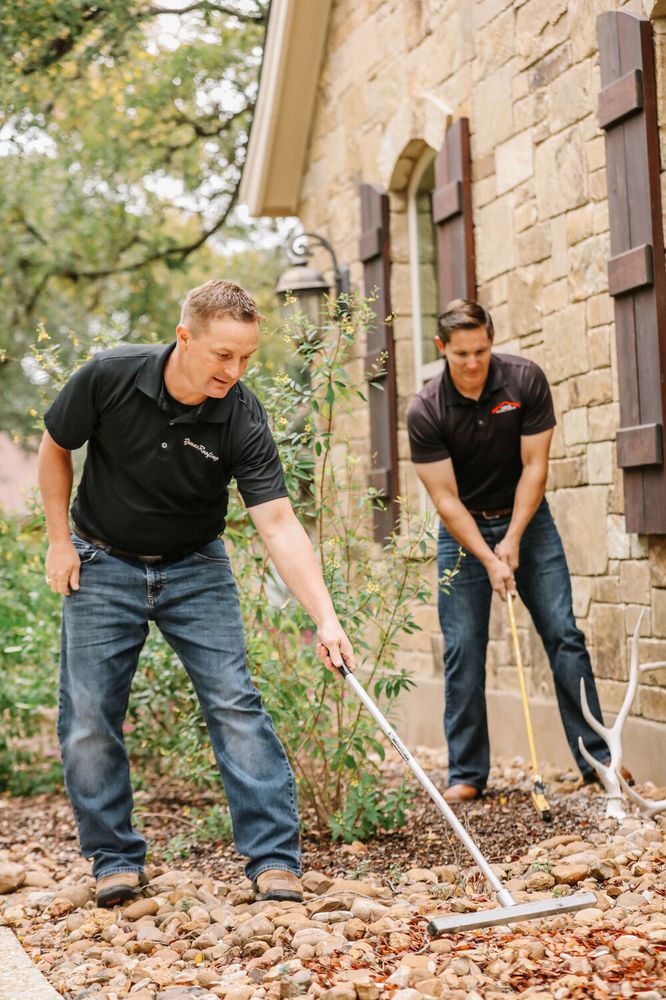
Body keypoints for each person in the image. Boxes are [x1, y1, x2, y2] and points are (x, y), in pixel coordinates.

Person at [38, 279, 354, 907]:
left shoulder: (241, 414)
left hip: (196, 568)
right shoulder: (109, 376)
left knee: (234, 702)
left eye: (246, 358)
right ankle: (113, 860)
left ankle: (273, 861)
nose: (234, 372)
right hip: (102, 560)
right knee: (89, 716)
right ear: (184, 337)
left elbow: (277, 522)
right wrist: (57, 541)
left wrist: (326, 617)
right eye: (223, 355)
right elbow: (56, 447)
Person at [407, 298, 615, 802]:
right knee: (462, 646)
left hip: (528, 519)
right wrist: (487, 556)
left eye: (480, 351)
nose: (472, 363)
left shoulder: (525, 381)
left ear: (491, 341)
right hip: (463, 531)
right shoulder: (426, 409)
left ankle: (598, 761)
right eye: (461, 354)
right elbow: (445, 500)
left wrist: (514, 538)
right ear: (441, 348)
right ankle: (467, 772)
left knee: (563, 633)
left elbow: (535, 467)